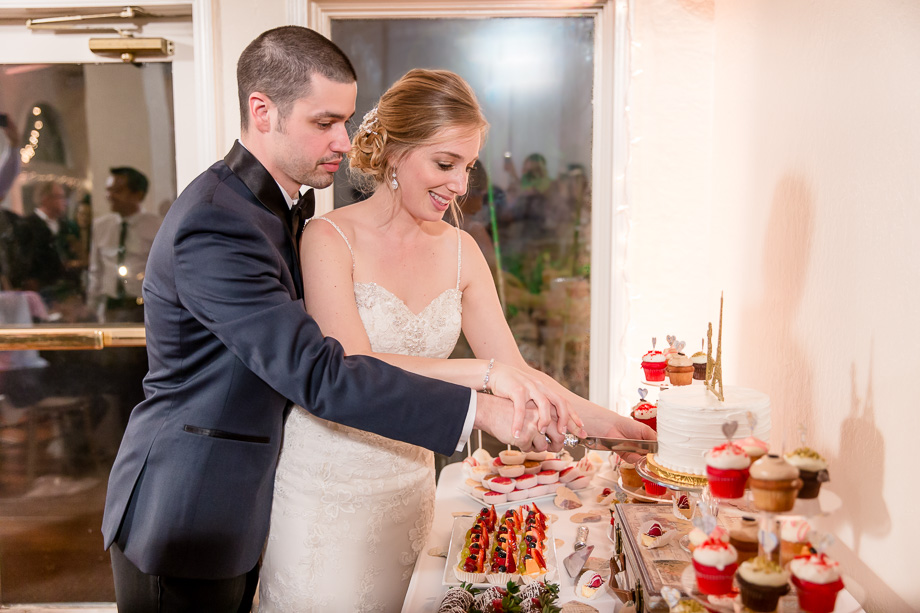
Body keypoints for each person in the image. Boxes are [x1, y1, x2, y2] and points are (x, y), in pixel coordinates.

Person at [101, 26, 579, 613]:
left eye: (347, 121)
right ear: (263, 111)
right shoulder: (218, 222)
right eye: (324, 122)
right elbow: (324, 374)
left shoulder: (279, 212)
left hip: (255, 500)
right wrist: (482, 397)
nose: (345, 141)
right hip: (189, 507)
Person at [258, 68, 655, 612]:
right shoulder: (329, 237)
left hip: (411, 489)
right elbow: (352, 364)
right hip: (327, 491)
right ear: (395, 153)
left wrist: (609, 425)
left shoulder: (463, 251)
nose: (461, 185)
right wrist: (485, 378)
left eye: (467, 167)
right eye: (445, 164)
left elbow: (514, 367)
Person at [86, 167, 161, 323]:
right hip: (110, 309)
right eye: (109, 190)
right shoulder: (101, 226)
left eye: (118, 191)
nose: (110, 196)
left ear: (137, 195)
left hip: (144, 309)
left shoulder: (157, 226)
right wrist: (91, 308)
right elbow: (96, 270)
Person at [14, 181, 81, 308]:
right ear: (46, 198)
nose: (64, 202)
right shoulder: (27, 225)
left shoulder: (66, 226)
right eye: (60, 197)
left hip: (67, 293)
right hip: (41, 295)